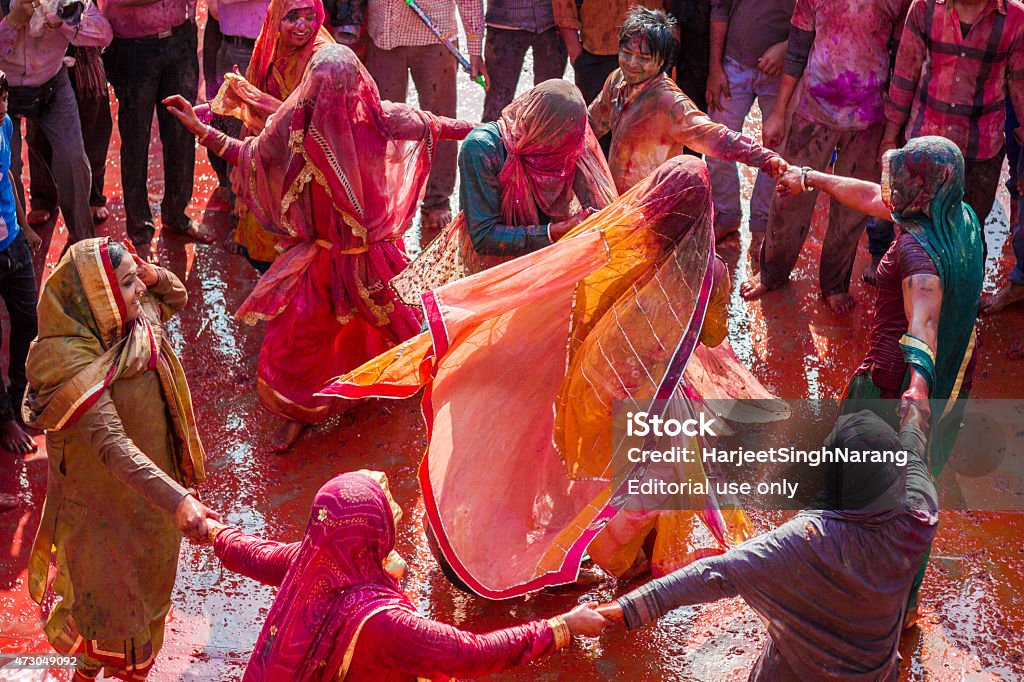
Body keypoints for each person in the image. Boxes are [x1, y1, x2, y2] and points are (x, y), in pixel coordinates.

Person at [324, 156, 781, 598]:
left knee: (577, 470)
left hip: (592, 378)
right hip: (648, 391)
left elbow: (573, 292)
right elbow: (714, 331)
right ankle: (603, 557)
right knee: (640, 480)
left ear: (654, 201)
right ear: (702, 216)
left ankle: (578, 548)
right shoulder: (710, 275)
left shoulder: (618, 239)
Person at [165, 45, 475, 452]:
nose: (328, 101)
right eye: (319, 92)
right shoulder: (294, 125)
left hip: (369, 258)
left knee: (391, 327)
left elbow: (437, 125)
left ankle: (394, 383)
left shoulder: (377, 120)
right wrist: (199, 129)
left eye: (337, 92)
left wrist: (490, 134)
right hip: (320, 258)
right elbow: (250, 154)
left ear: (356, 91)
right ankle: (299, 412)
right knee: (298, 336)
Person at [776, 136, 984, 623]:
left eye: (902, 180)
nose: (891, 188)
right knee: (918, 491)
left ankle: (845, 599)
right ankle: (902, 607)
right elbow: (874, 197)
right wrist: (811, 178)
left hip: (894, 388)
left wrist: (916, 384)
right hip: (954, 385)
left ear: (921, 191)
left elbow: (924, 322)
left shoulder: (917, 257)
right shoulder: (960, 218)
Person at [597, 407, 938, 681]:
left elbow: (712, 573)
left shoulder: (806, 540)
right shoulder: (919, 514)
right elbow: (913, 454)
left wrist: (621, 610)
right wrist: (913, 419)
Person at [22, 237, 218, 680]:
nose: (142, 292)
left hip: (151, 495)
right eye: (128, 284)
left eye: (137, 280)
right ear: (100, 297)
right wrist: (179, 501)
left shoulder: (133, 321)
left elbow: (176, 295)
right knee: (109, 601)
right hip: (105, 505)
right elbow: (113, 447)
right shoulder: (70, 363)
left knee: (149, 588)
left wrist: (150, 275)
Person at [205, 470, 609, 680]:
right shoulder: (382, 624)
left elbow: (256, 554)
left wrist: (212, 531)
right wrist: (563, 626)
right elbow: (469, 654)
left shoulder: (316, 561)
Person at [742, 0, 911, 313]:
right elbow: (797, 49)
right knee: (789, 197)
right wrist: (779, 111)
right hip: (814, 109)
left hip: (869, 117)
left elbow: (904, 60)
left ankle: (834, 283)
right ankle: (772, 272)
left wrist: (891, 131)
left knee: (851, 210)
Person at [881, 0, 1024, 314]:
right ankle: (911, 318)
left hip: (980, 153)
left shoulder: (1015, 21)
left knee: (969, 238)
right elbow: (905, 73)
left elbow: (1020, 87)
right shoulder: (924, 9)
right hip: (924, 149)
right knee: (914, 235)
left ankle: (959, 318)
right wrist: (890, 137)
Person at [587, 8, 786, 203]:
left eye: (644, 58)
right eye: (627, 52)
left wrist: (766, 159)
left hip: (649, 205)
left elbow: (719, 138)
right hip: (617, 202)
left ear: (662, 61)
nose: (631, 63)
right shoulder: (617, 80)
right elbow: (590, 125)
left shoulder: (670, 104)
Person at [208, 0, 333, 272]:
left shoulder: (323, 57)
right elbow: (252, 114)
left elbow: (312, 117)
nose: (302, 26)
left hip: (307, 158)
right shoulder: (267, 47)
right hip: (270, 155)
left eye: (310, 17)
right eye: (292, 17)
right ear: (277, 18)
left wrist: (250, 96)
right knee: (261, 249)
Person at [99, 0, 209, 259]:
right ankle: (139, 229)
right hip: (134, 47)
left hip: (180, 37)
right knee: (136, 137)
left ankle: (176, 213)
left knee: (181, 132)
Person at [364, 0, 486, 232]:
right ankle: (384, 201)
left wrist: (474, 49)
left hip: (433, 39)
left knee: (440, 122)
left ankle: (437, 200)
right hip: (381, 34)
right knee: (381, 124)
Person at [0, 0, 111, 245]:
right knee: (7, 169)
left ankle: (84, 242)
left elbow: (104, 33)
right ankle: (16, 243)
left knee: (74, 161)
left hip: (52, 84)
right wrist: (11, 23)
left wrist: (65, 21)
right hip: (4, 89)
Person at [705, 0, 794, 238]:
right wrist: (715, 68)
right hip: (734, 64)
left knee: (777, 150)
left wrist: (786, 48)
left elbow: (816, 20)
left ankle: (762, 221)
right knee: (715, 143)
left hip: (783, 72)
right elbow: (720, 9)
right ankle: (727, 212)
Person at [0, 69, 42, 465]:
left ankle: (18, 400)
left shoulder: (5, 124)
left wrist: (24, 226)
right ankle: (4, 418)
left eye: (4, 105)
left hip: (11, 241)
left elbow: (9, 175)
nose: (1, 113)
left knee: (28, 320)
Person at [26, 45, 115, 227]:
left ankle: (93, 195)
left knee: (94, 130)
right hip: (41, 59)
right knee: (39, 132)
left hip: (86, 62)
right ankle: (43, 198)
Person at [203, 0, 270, 205]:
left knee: (272, 130)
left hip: (272, 44)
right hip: (238, 47)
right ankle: (239, 214)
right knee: (238, 133)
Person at [553, 0, 665, 116]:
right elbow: (563, 5)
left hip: (651, 54)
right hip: (597, 53)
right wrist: (575, 53)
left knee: (646, 123)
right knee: (597, 125)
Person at [480, 0, 568, 123]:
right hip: (504, 22)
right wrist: (475, 48)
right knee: (496, 108)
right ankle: (492, 141)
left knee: (550, 109)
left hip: (552, 22)